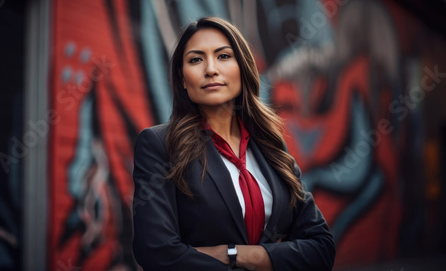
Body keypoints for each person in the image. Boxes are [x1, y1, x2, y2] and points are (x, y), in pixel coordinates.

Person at [132, 16, 335, 271]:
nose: (210, 69)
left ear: (243, 67)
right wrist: (276, 257)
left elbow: (321, 248)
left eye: (223, 56)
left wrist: (234, 254)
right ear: (183, 79)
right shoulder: (160, 146)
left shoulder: (272, 148)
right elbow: (157, 252)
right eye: (195, 59)